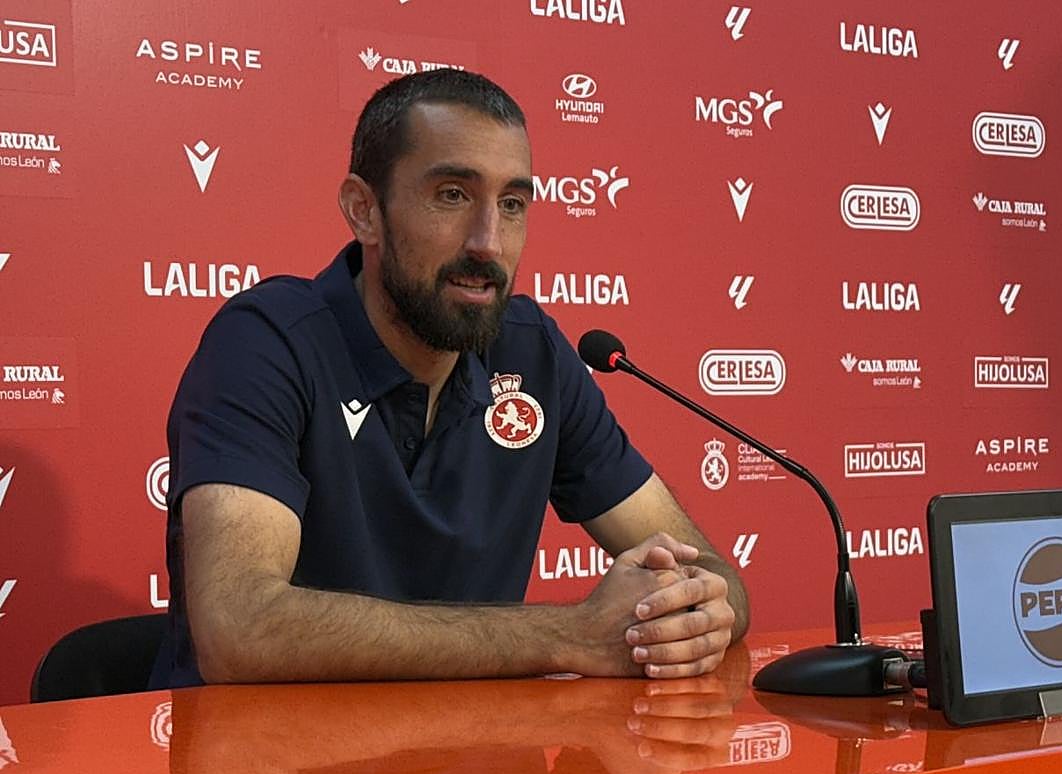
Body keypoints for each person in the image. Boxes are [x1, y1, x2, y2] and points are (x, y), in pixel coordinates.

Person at [148, 69, 748, 689]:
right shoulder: (267, 342)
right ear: (364, 211)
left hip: (467, 770)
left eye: (512, 205)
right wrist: (571, 636)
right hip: (270, 768)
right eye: (453, 195)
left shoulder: (532, 353)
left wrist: (691, 616)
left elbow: (713, 576)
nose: (488, 242)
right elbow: (242, 630)